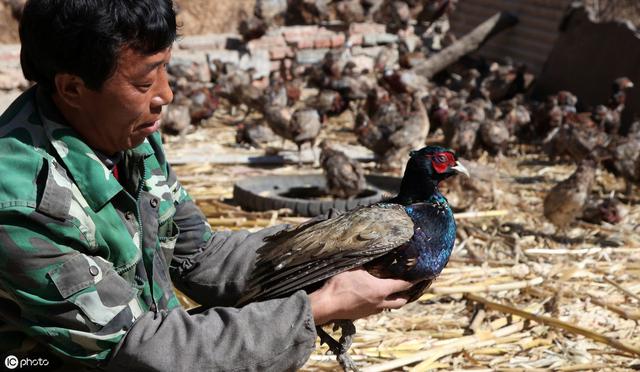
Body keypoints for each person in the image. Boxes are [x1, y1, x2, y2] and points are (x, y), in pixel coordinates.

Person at [0, 1, 413, 370]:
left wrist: (333, 250)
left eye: (166, 69)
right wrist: (319, 307)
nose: (167, 94)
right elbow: (142, 350)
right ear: (72, 88)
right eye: (144, 83)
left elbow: (198, 254)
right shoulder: (23, 203)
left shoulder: (125, 135)